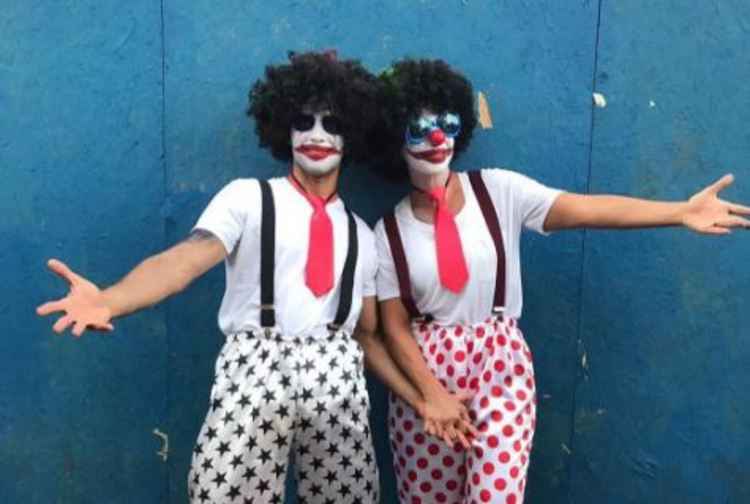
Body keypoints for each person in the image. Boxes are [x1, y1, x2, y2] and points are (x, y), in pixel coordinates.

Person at [36, 51, 432, 504]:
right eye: (303, 121)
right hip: (254, 368)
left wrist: (421, 396)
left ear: (352, 135)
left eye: (333, 124)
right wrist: (109, 301)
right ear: (284, 128)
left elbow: (367, 335)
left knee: (349, 496)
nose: (317, 135)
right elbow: (183, 261)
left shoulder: (362, 234)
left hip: (337, 375)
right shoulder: (247, 199)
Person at [370, 58, 750, 504]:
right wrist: (430, 395)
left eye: (447, 123)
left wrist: (679, 212)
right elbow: (393, 327)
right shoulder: (387, 232)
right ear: (393, 138)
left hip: (499, 365)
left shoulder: (498, 191)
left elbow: (587, 209)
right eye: (419, 129)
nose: (437, 139)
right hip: (427, 375)